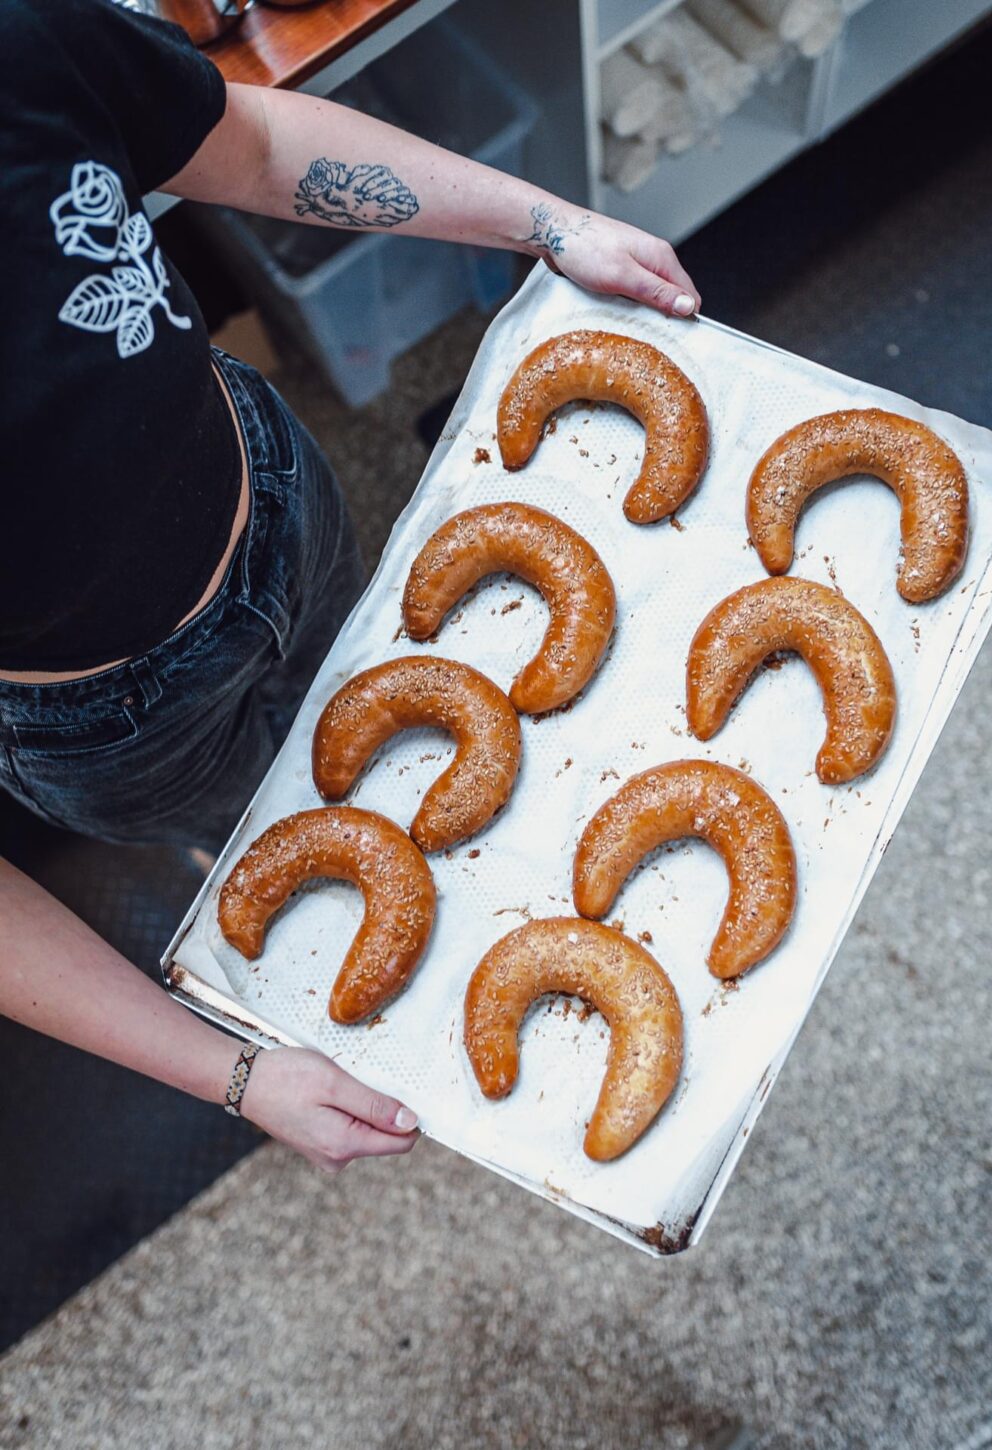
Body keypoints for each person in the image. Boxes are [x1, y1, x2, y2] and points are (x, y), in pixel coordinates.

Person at [0, 0, 702, 1173]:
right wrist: (237, 1070)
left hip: (273, 493)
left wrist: (544, 222)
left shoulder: (20, 40)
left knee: (390, 694)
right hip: (117, 725)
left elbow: (256, 148)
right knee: (268, 827)